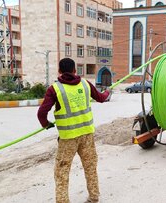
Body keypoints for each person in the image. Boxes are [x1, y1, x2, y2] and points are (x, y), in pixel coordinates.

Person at [37, 58, 111, 203]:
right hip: (87, 136)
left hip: (68, 139)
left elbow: (41, 113)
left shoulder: (55, 89)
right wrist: (107, 92)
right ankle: (94, 197)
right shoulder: (85, 84)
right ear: (75, 70)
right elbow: (101, 98)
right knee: (90, 168)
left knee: (62, 172)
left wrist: (46, 124)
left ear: (59, 71)